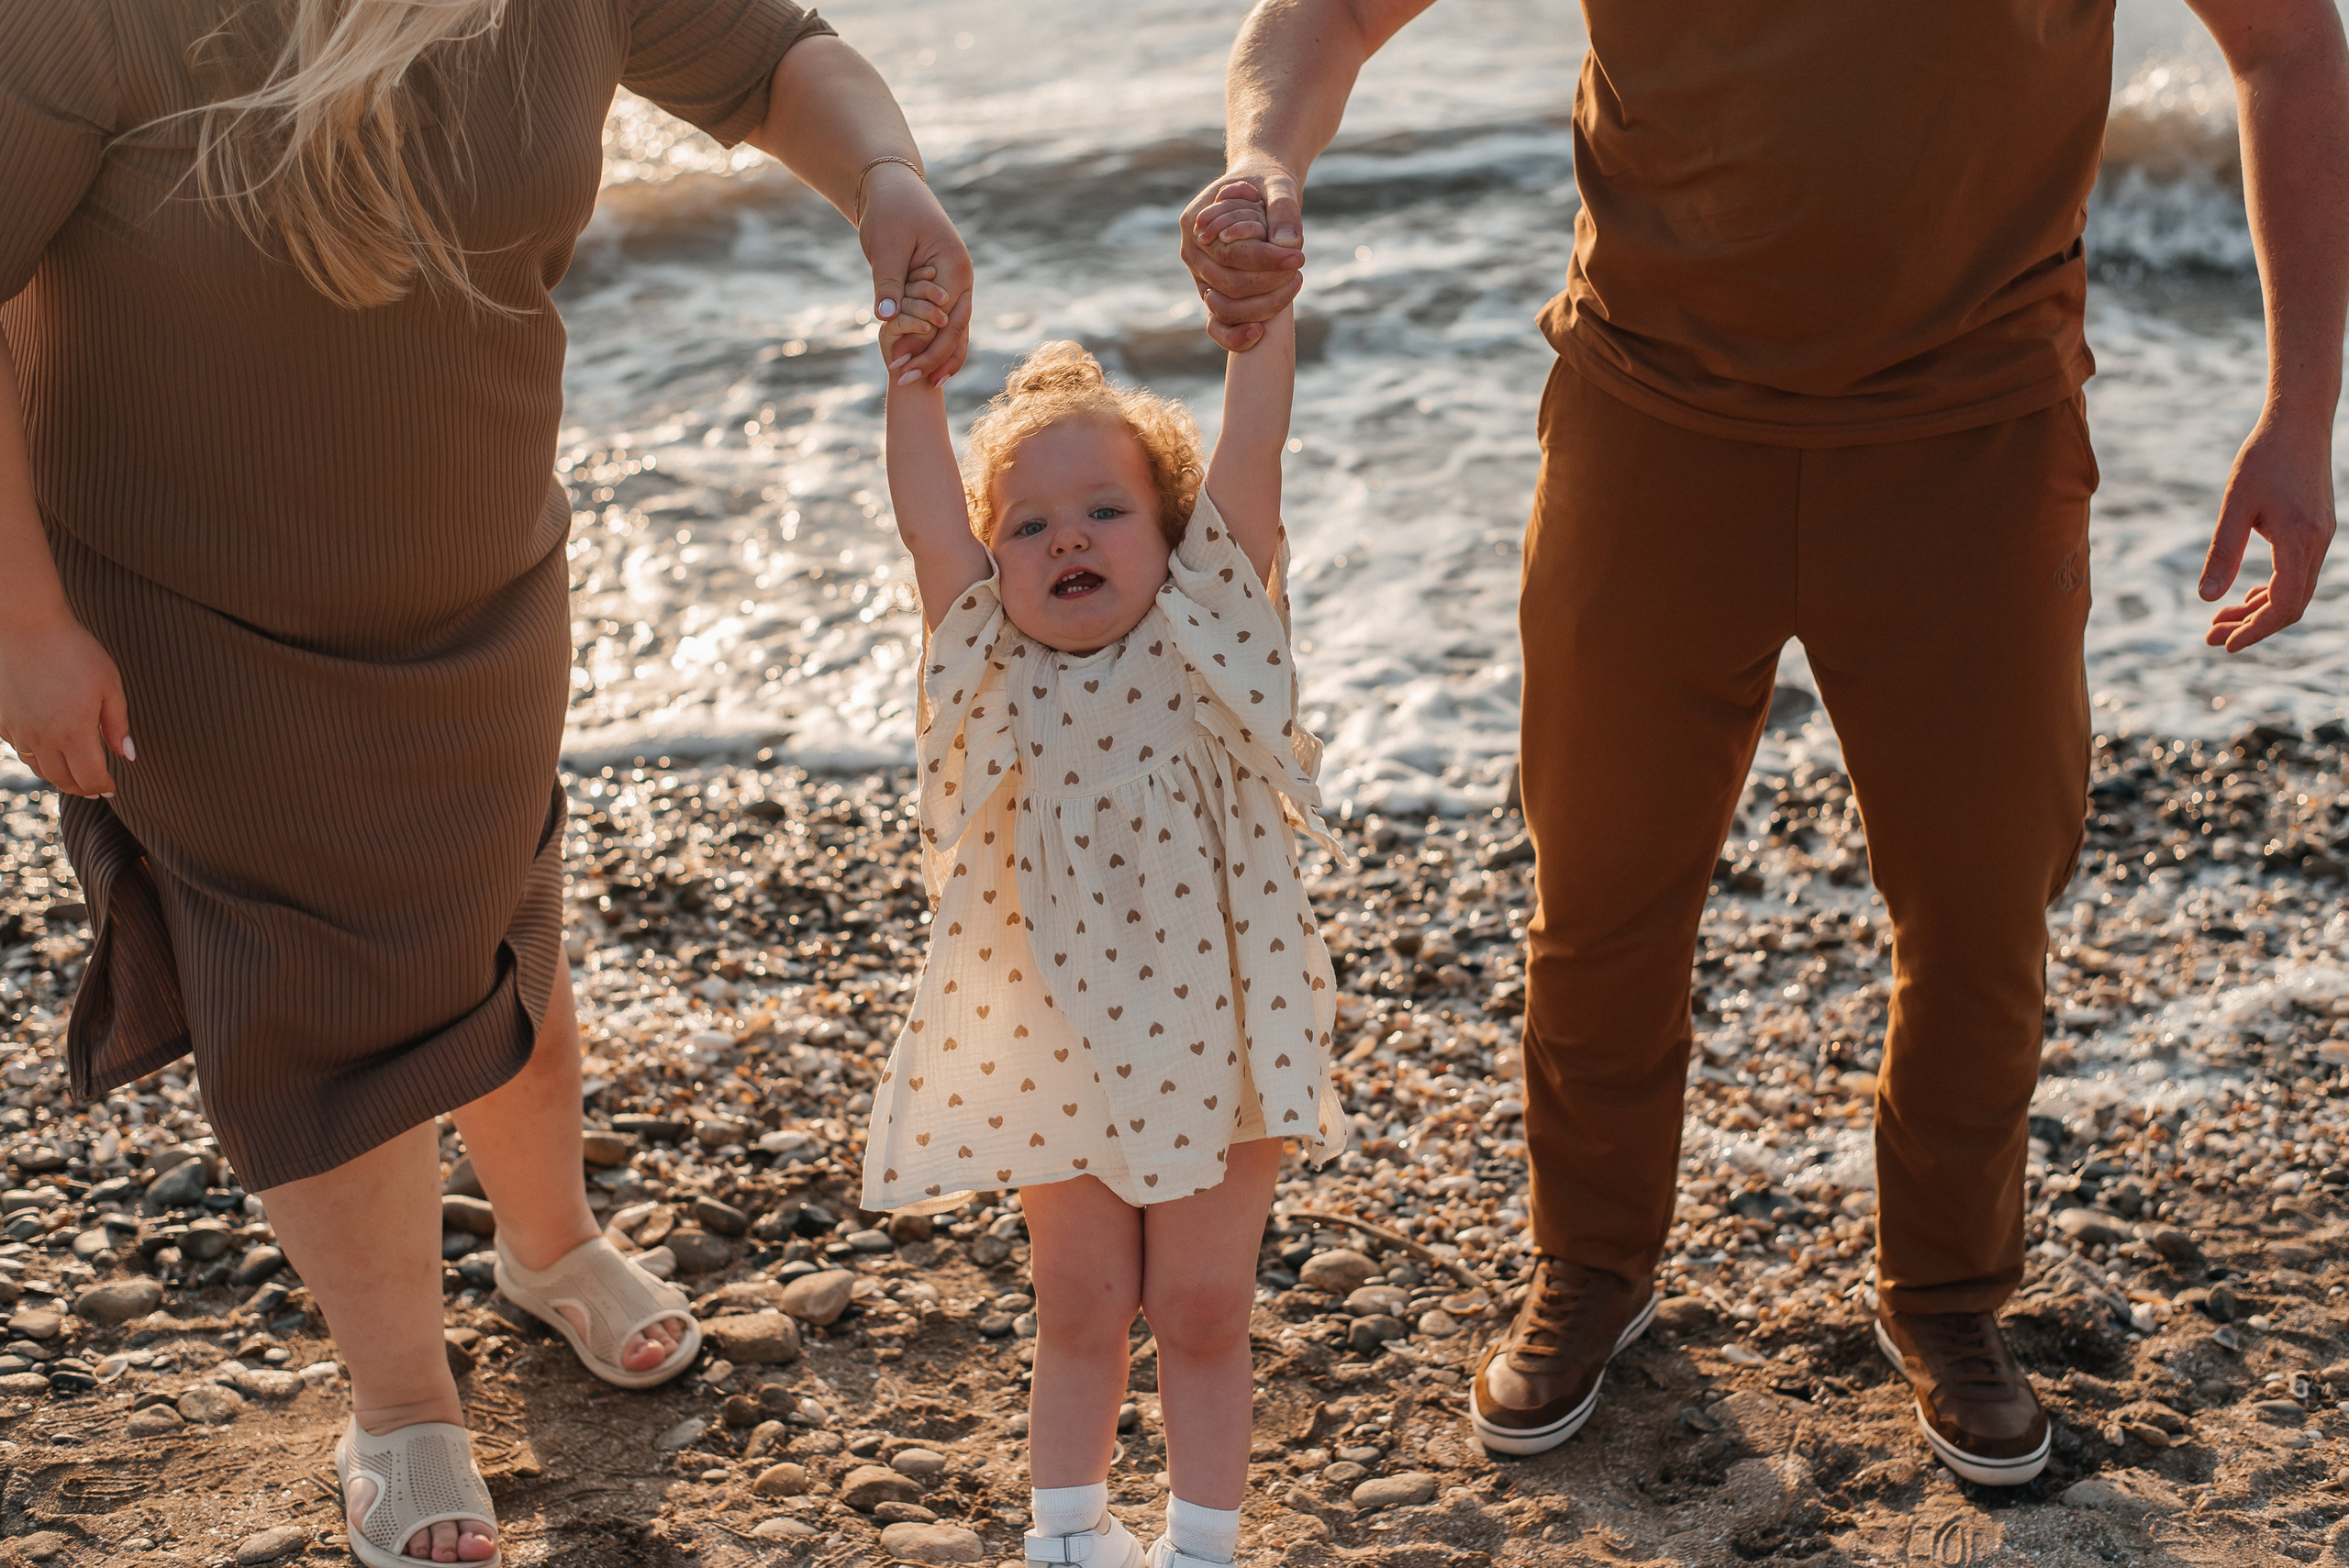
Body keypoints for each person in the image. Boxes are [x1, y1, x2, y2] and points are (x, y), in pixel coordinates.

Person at [1177, 0, 2345, 1485]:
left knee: (1985, 909)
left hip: (1973, 440)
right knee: (1601, 888)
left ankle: (1949, 1298)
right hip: (1650, 419)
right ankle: (1591, 1265)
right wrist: (1266, 160)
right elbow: (1327, 15)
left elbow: (2287, 41)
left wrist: (2301, 405)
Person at [0, 2, 970, 1562]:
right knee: (311, 978)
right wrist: (25, 623)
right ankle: (400, 1401)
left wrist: (887, 182)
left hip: (482, 563)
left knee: (501, 895)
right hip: (193, 608)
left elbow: (780, 59)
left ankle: (551, 1240)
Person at [860, 184, 1339, 1568]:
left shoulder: (1209, 629)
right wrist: (917, 384)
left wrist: (1260, 316)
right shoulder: (992, 666)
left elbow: (1257, 442)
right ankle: (1066, 1538)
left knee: (1198, 1302)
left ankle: (1201, 1548)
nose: (1066, 538)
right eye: (1030, 525)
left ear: (1175, 533)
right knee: (1076, 1294)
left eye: (1105, 510)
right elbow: (925, 527)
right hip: (1050, 1026)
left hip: (1223, 1022)